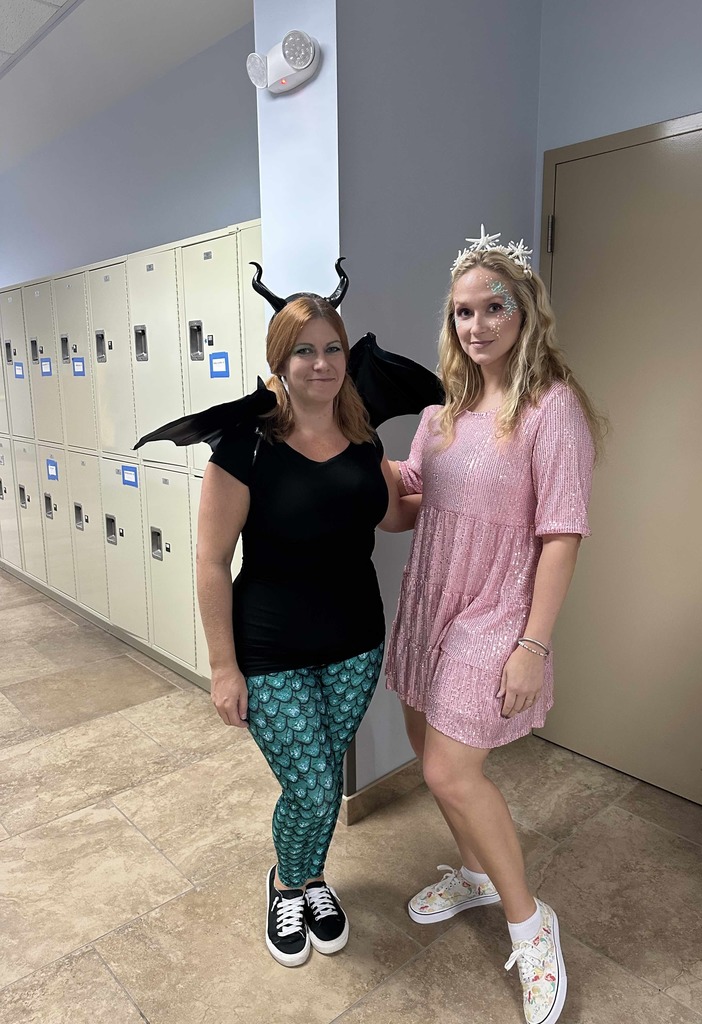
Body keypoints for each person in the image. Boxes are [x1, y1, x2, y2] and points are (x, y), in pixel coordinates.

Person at [384, 227, 604, 1023]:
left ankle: (529, 923)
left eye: (491, 308)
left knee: (448, 770)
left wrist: (532, 646)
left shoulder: (551, 409)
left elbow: (562, 533)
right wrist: (343, 455)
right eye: (461, 313)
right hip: (429, 603)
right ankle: (474, 875)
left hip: (497, 611)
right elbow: (406, 507)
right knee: (425, 747)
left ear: (524, 311)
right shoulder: (441, 415)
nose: (474, 326)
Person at [196, 284, 416, 968]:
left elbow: (389, 514)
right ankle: (287, 884)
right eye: (304, 352)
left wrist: (441, 490)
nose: (321, 364)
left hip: (355, 642)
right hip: (269, 649)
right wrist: (223, 667)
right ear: (279, 360)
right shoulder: (246, 443)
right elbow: (209, 560)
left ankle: (312, 876)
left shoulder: (361, 432)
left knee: (315, 777)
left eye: (333, 349)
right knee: (317, 786)